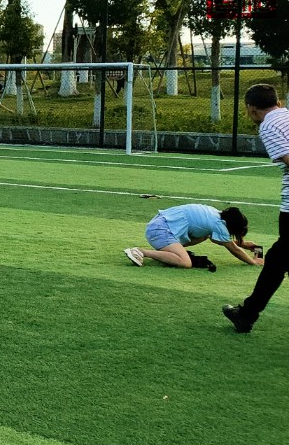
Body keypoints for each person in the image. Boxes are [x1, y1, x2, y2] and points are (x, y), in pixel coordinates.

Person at [224, 84, 289, 333]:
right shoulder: (286, 116)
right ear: (278, 102)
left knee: (277, 260)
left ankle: (247, 315)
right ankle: (247, 314)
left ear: (251, 108)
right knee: (277, 260)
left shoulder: (269, 126)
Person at [123, 204, 262, 268]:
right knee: (186, 262)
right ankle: (141, 252)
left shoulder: (214, 213)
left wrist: (243, 244)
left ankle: (168, 253)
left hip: (157, 225)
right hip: (160, 231)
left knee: (204, 236)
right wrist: (253, 261)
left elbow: (219, 240)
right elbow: (234, 249)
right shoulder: (218, 225)